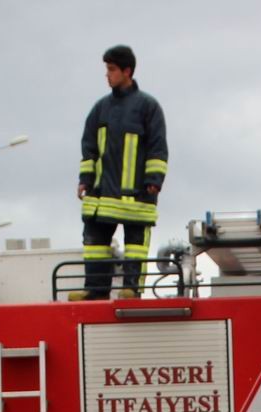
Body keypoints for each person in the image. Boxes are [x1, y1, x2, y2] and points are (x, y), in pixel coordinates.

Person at [78, 45, 168, 300]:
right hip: (102, 196)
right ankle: (94, 290)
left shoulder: (148, 107)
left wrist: (154, 180)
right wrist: (85, 181)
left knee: (135, 246)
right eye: (107, 69)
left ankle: (131, 288)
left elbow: (157, 147)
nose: (107, 75)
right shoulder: (100, 109)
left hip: (136, 196)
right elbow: (89, 148)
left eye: (112, 70)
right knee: (95, 244)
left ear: (127, 71)